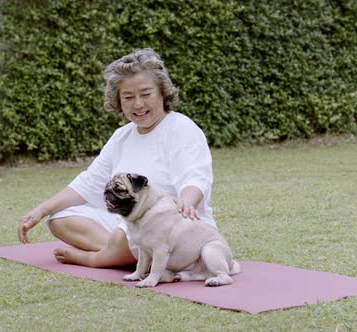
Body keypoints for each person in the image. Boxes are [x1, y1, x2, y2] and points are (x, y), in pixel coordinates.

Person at [18, 48, 217, 268]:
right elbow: (89, 183)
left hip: (174, 226)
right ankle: (127, 253)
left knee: (134, 232)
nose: (138, 104)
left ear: (162, 92)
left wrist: (187, 202)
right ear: (118, 100)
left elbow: (194, 178)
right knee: (59, 218)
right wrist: (41, 210)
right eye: (128, 97)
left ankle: (99, 258)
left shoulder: (182, 128)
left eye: (146, 94)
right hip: (131, 227)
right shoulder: (122, 136)